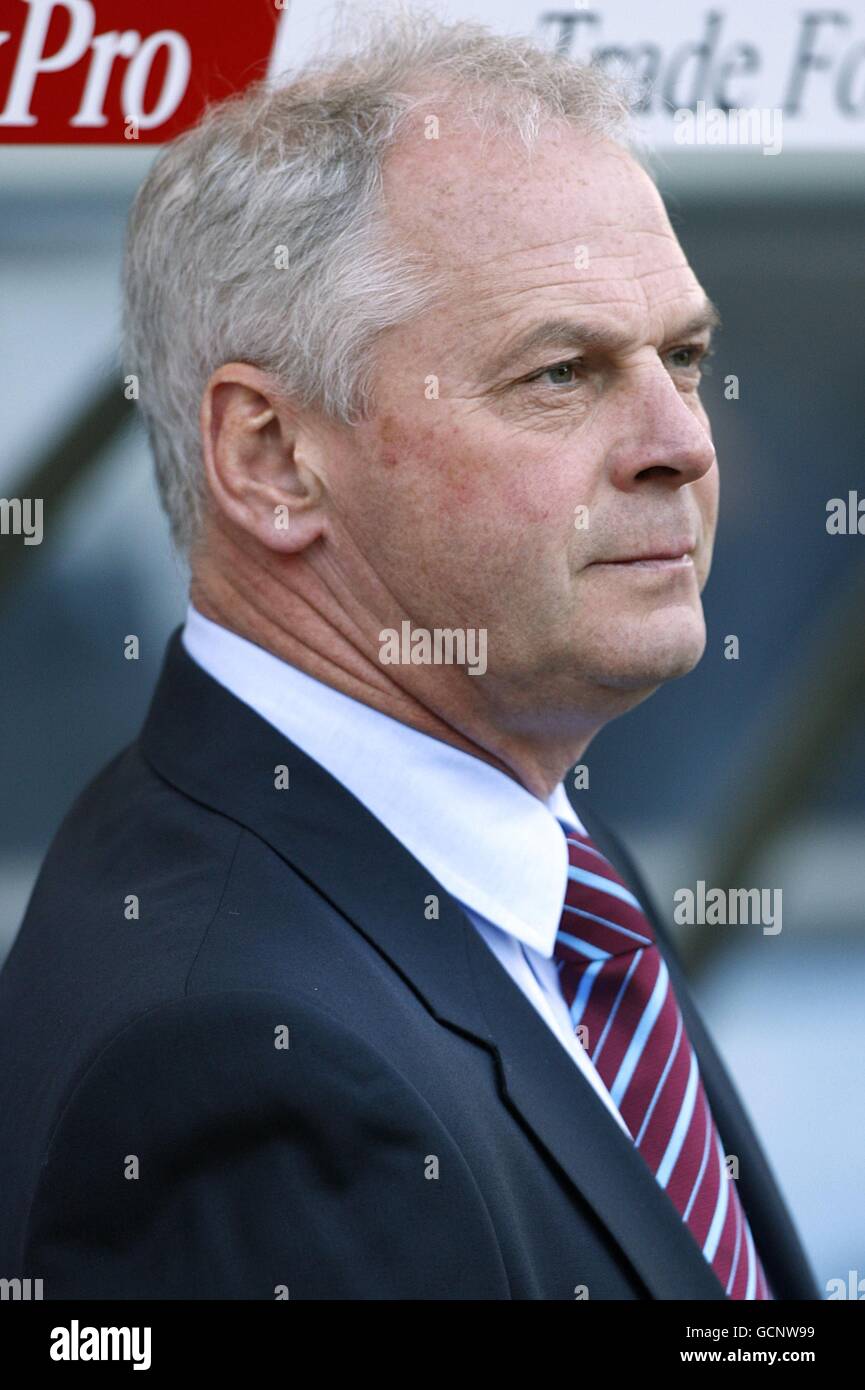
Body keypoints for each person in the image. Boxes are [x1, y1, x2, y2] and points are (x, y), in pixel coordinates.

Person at [0, 12, 818, 1300]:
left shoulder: (529, 857)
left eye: (684, 356)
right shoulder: (232, 1069)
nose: (682, 441)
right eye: (561, 373)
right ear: (270, 458)